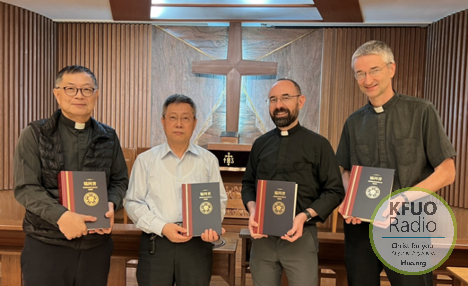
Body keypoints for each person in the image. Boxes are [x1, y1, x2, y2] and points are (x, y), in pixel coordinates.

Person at [336, 40, 456, 286]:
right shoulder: (353, 122)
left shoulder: (422, 111)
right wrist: (351, 199)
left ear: (391, 69)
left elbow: (447, 172)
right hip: (361, 227)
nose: (367, 79)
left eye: (374, 70)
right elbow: (346, 171)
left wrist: (400, 200)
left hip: (408, 223)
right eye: (360, 73)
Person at [14, 65, 129, 286]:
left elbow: (120, 180)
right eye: (70, 89)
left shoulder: (109, 136)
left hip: (95, 247)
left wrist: (112, 203)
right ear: (56, 93)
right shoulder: (35, 134)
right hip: (46, 245)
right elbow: (26, 187)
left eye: (87, 89)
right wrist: (61, 216)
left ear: (96, 94)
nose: (79, 95)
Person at [241, 78, 345, 286]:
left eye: (285, 98)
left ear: (301, 101)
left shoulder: (319, 145)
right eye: (273, 99)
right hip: (263, 239)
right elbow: (248, 185)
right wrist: (253, 210)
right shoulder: (261, 144)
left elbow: (334, 190)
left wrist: (304, 216)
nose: (278, 105)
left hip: (301, 235)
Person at [124, 94, 228, 286]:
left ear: (194, 122)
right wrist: (163, 227)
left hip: (196, 244)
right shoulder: (145, 161)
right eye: (173, 117)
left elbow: (219, 200)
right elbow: (133, 202)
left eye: (185, 118)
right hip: (157, 242)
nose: (179, 124)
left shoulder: (208, 161)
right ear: (163, 122)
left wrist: (211, 225)